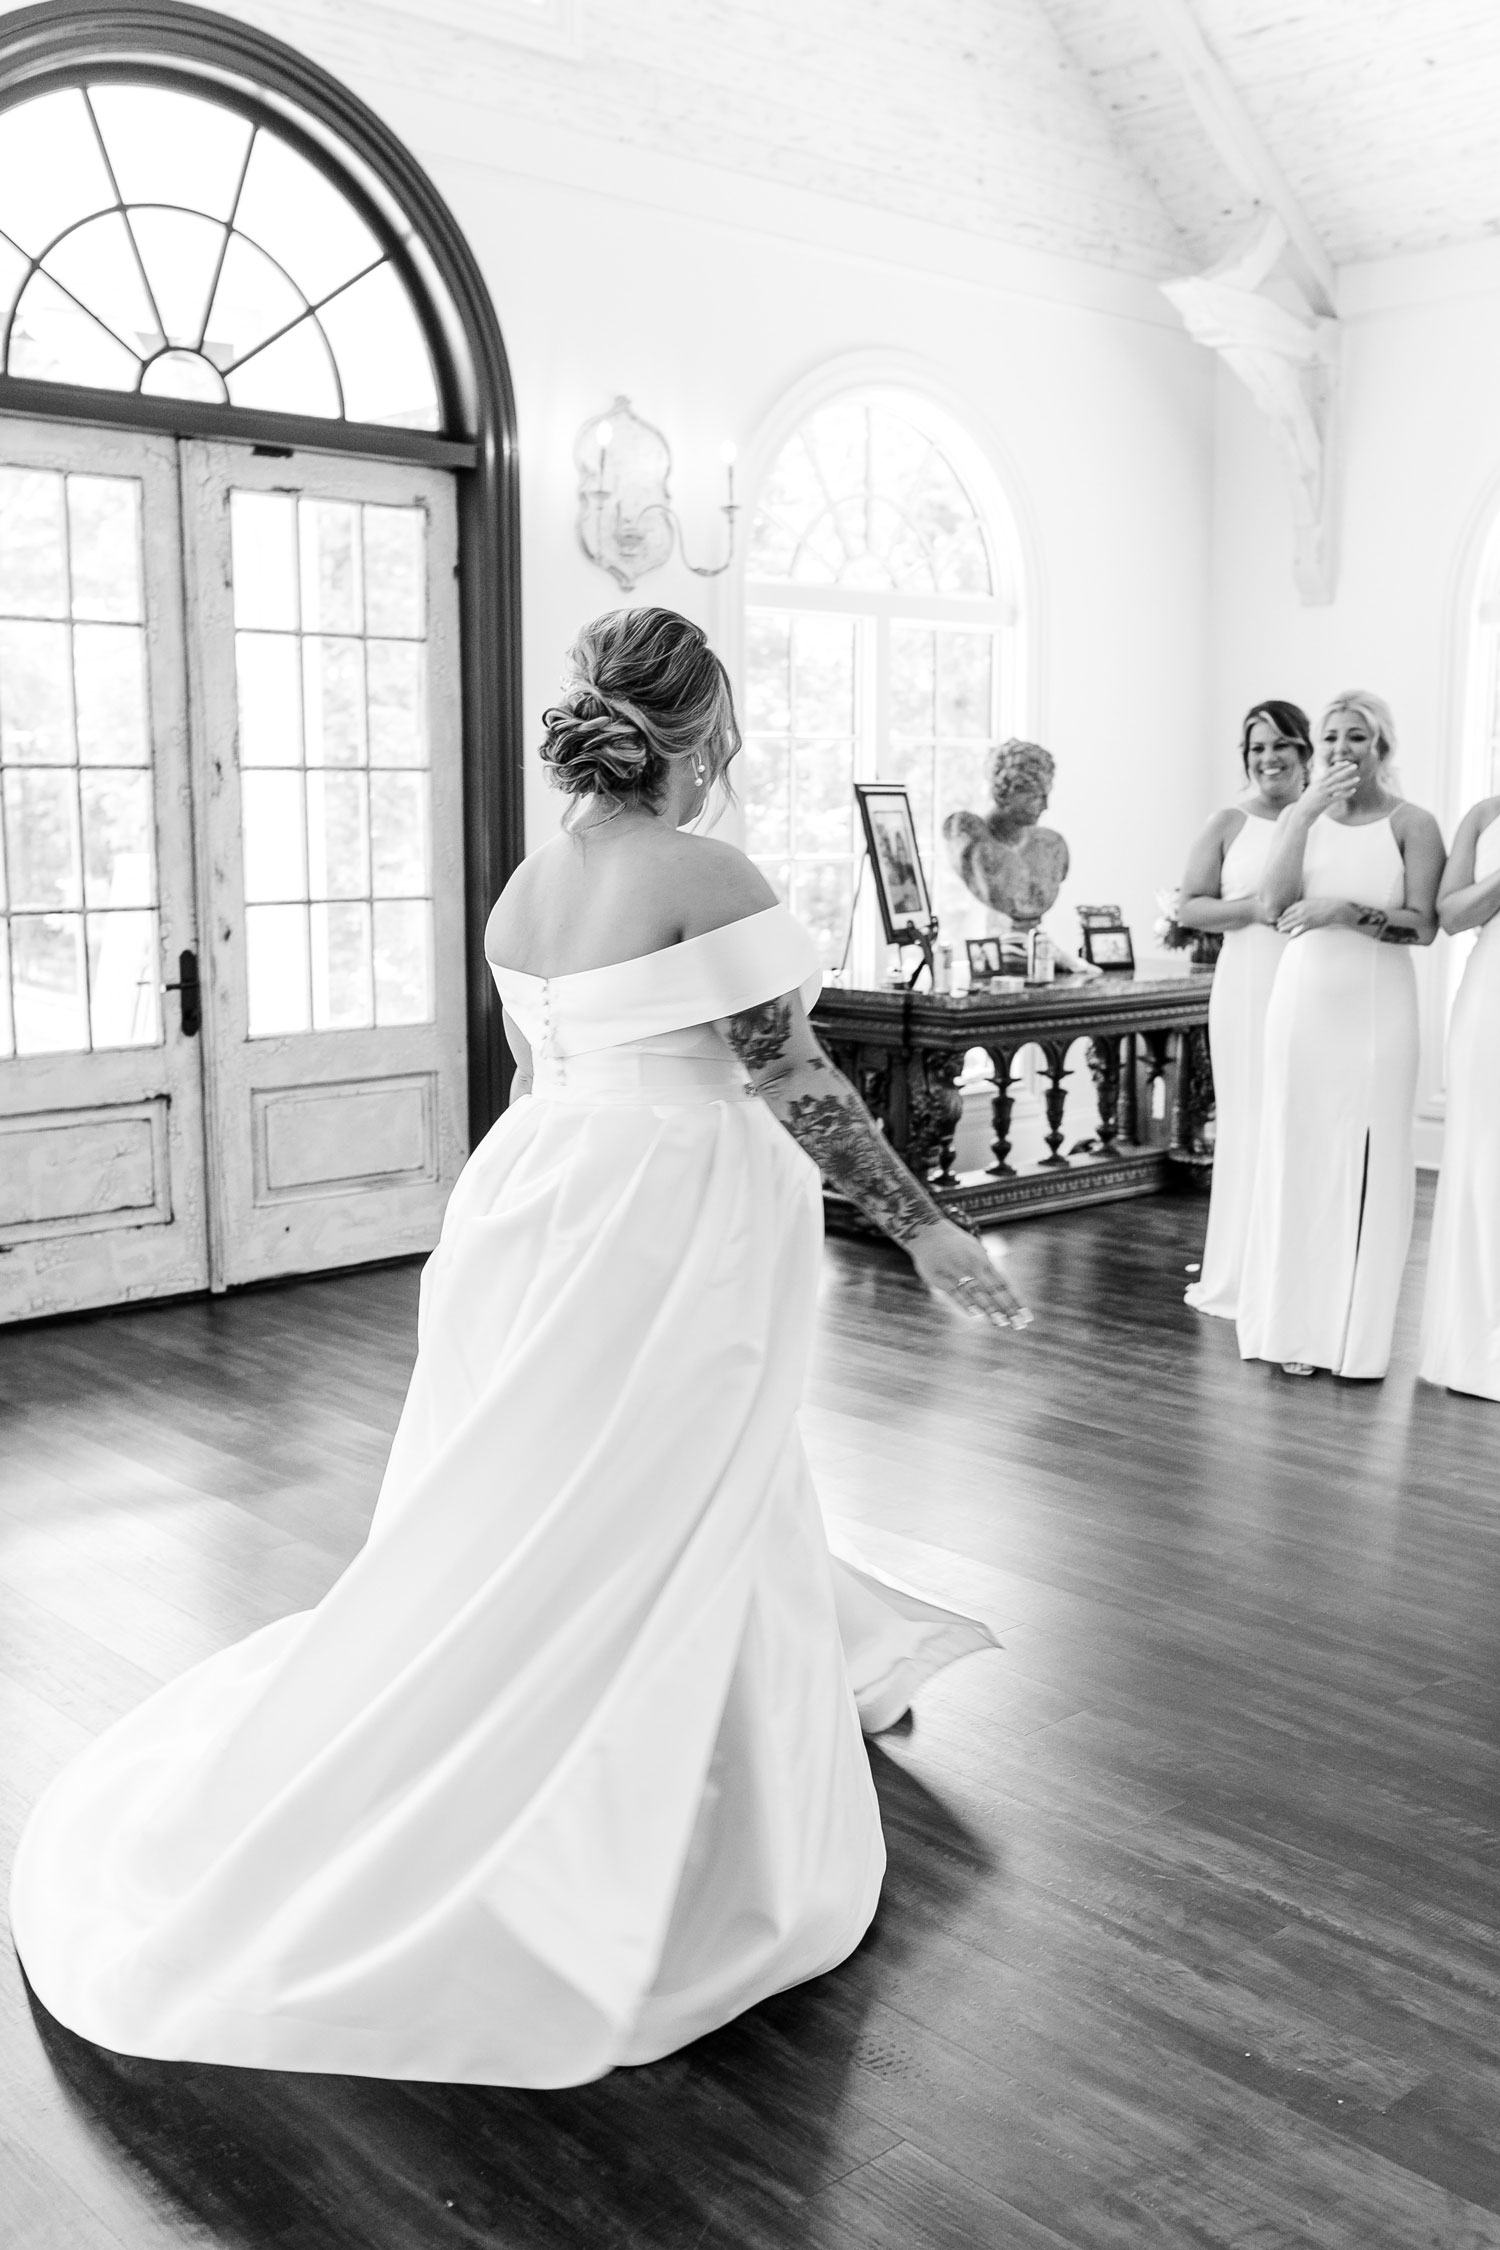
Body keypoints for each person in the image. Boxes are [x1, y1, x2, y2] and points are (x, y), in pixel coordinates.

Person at [11, 607, 1024, 2088]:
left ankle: (763, 1680)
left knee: (571, 1478)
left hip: (536, 1195)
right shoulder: (705, 873)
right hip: (674, 1206)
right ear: (699, 733)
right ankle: (625, 1766)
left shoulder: (530, 882)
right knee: (659, 1473)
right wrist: (924, 1226)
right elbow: (794, 1073)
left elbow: (535, 1067)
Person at [1236, 692, 1443, 1379]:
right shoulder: (1304, 818)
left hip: (1380, 1011)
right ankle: (1295, 1332)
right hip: (1301, 1008)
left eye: (1357, 736)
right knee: (1298, 1157)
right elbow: (1269, 906)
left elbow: (1420, 925)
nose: (1341, 749)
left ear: (1382, 747)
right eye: (1330, 738)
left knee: (1372, 1166)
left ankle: (1356, 1342)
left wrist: (1344, 911)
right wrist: (1302, 813)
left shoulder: (1413, 823)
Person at [1178, 701, 1312, 1319]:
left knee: (1303, 1120)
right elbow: (1190, 908)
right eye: (1256, 748)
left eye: (1281, 744)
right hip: (1248, 981)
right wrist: (1254, 911)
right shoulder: (1229, 822)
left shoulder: (1329, 820)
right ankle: (1239, 1269)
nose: (1268, 758)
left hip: (1314, 981)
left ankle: (1302, 1266)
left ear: (1306, 751)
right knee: (1250, 1118)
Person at [1419, 792, 1500, 1398]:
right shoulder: (1486, 814)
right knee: (1483, 1164)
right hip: (1489, 1004)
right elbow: (1450, 915)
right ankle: (1478, 1349)